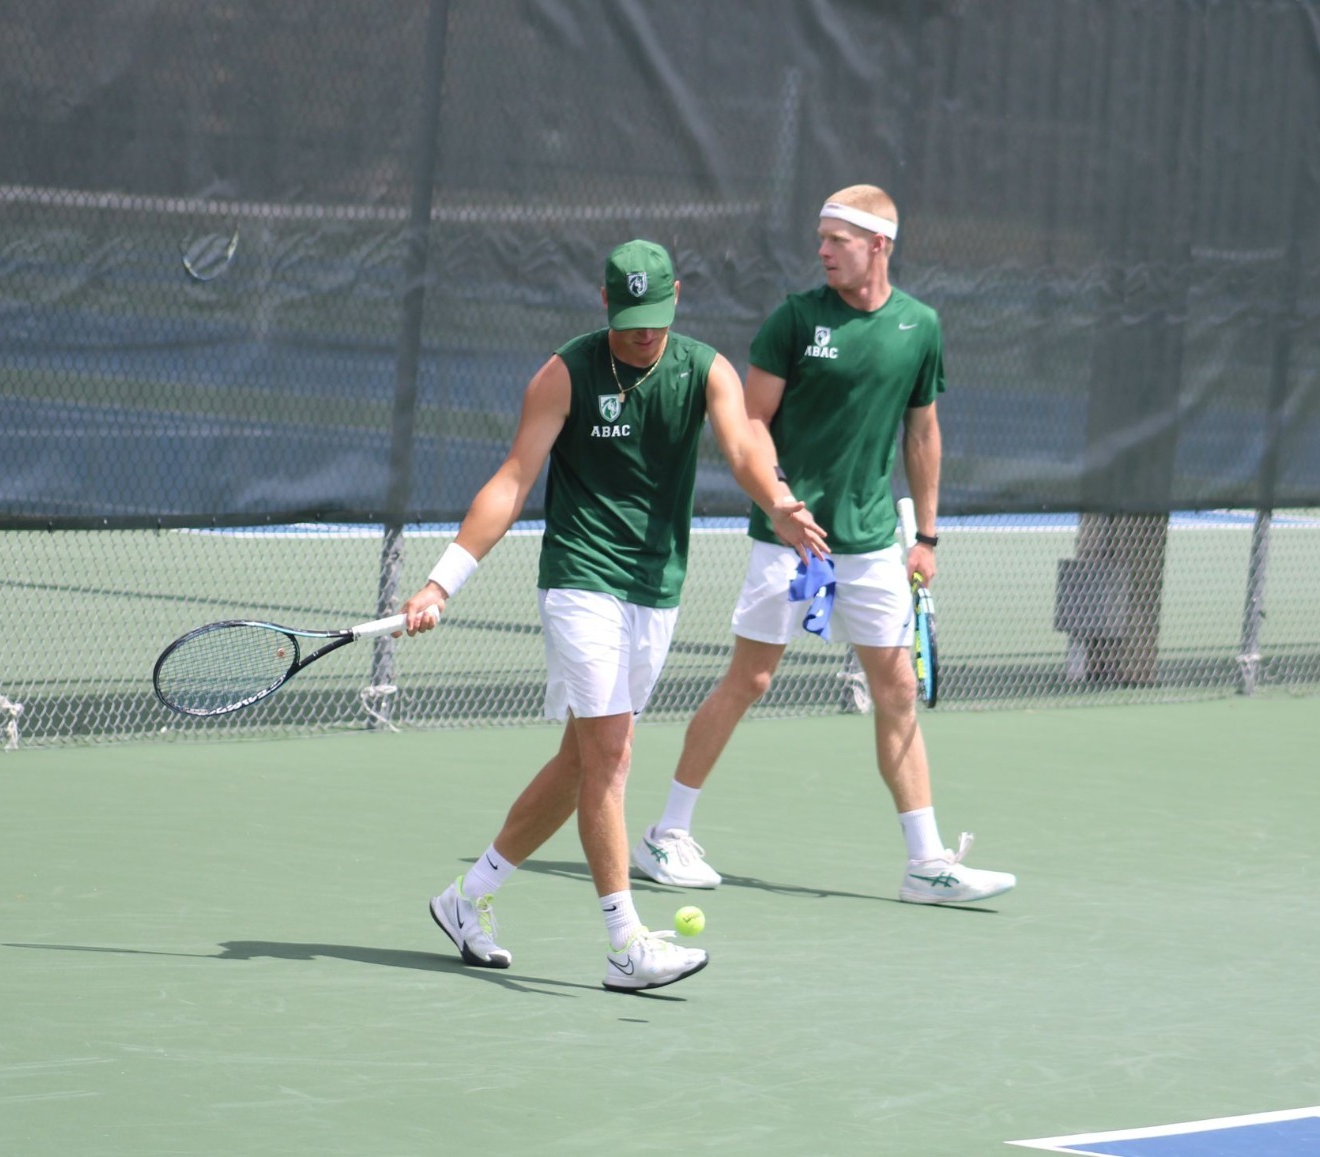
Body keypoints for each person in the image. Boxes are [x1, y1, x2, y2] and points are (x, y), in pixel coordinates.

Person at [398, 239, 826, 993]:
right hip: (579, 577)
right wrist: (442, 582)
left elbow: (741, 447)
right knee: (615, 755)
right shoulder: (564, 374)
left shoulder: (705, 369)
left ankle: (466, 899)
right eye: (628, 321)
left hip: (654, 587)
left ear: (677, 300)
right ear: (604, 304)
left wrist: (780, 502)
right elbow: (512, 479)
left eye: (654, 321)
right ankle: (625, 942)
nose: (641, 335)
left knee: (579, 764)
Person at [630, 186, 1015, 906]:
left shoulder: (919, 327)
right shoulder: (796, 320)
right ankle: (666, 835)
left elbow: (922, 431)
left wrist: (926, 535)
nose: (823, 249)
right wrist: (781, 503)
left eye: (838, 238)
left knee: (897, 688)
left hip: (872, 543)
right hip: (791, 536)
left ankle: (925, 862)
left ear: (880, 245)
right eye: (821, 237)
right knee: (750, 680)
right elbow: (749, 421)